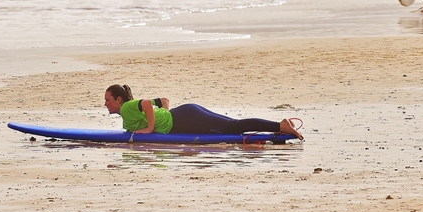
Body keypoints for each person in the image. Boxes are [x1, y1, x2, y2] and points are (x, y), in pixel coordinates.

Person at [104, 84, 303, 140]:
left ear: (119, 100)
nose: (105, 104)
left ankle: (280, 126)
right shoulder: (129, 111)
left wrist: (149, 129)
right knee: (234, 126)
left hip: (187, 119)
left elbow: (147, 103)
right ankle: (279, 126)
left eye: (107, 100)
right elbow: (163, 101)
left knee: (234, 128)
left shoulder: (128, 107)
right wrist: (162, 119)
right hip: (185, 114)